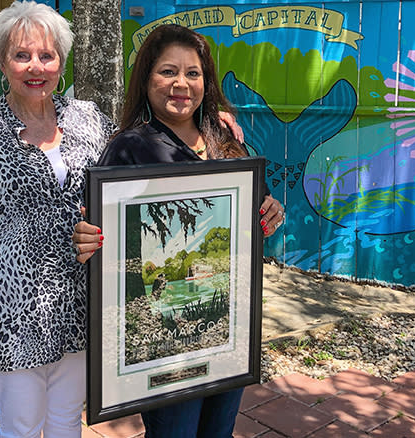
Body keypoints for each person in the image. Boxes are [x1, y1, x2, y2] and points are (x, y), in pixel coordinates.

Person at [72, 24, 284, 438]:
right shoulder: (129, 148)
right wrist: (88, 241)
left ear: (206, 81)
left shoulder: (223, 137)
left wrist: (272, 211)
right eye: (168, 72)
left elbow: (255, 206)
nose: (181, 84)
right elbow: (105, 239)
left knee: (218, 431)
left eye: (193, 73)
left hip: (229, 332)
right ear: (147, 78)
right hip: (163, 346)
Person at [0, 2, 112, 437]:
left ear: (61, 62)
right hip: (10, 311)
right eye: (22, 55)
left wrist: (208, 120)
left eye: (47, 55)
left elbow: (138, 160)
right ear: (2, 60)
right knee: (21, 426)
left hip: (76, 304)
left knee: (67, 421)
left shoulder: (90, 120)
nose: (36, 66)